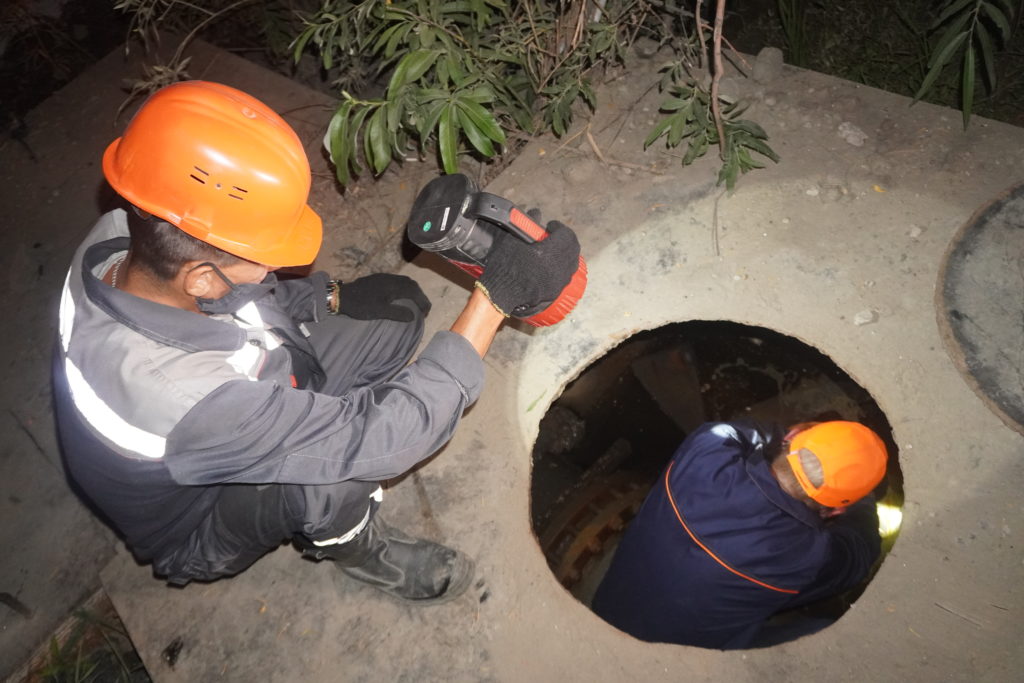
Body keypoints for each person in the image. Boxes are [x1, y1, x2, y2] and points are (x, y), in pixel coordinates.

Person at [52, 80, 580, 603]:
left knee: (395, 315)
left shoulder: (125, 238)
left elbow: (234, 297)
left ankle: (322, 423)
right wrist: (495, 298)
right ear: (202, 279)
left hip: (226, 397)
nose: (275, 269)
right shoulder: (185, 396)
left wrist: (326, 297)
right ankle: (363, 549)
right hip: (200, 518)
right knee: (330, 475)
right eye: (264, 260)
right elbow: (383, 441)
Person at [591, 420, 887, 648]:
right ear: (836, 511)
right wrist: (863, 502)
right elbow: (859, 555)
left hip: (607, 608)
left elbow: (747, 433)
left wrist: (791, 439)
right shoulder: (806, 556)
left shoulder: (707, 449)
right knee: (825, 632)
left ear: (793, 435)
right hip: (670, 662)